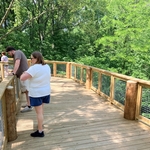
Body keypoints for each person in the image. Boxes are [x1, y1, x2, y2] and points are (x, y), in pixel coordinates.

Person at [20, 51, 51, 137]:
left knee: (39, 113)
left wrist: (24, 73)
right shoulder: (47, 66)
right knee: (41, 111)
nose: (31, 60)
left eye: (31, 58)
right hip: (46, 92)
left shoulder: (33, 68)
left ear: (36, 59)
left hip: (37, 93)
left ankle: (40, 131)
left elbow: (22, 78)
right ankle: (40, 126)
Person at [5, 46, 32, 112]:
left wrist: (13, 73)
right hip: (23, 75)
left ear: (11, 51)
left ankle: (29, 106)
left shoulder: (17, 53)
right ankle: (28, 104)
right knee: (26, 91)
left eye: (9, 53)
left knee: (27, 90)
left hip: (24, 74)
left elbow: (17, 62)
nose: (9, 55)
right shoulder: (18, 53)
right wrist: (13, 71)